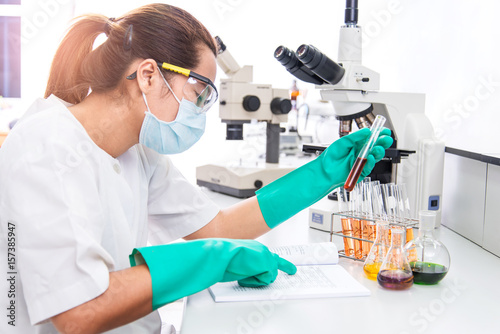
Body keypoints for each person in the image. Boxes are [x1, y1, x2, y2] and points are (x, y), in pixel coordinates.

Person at [0, 3, 393, 334]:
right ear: (149, 75)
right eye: (199, 93)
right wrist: (210, 259)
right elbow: (79, 312)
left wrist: (321, 174)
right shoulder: (47, 146)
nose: (201, 111)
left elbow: (217, 227)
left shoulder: (138, 149)